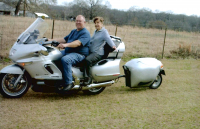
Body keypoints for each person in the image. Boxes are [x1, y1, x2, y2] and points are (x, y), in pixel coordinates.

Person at [49, 15, 90, 91]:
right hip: (68, 51)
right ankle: (60, 79)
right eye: (77, 20)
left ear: (84, 22)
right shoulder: (74, 31)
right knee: (53, 56)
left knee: (65, 60)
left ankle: (69, 83)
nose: (78, 22)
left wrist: (65, 45)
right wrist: (50, 40)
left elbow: (77, 43)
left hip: (79, 54)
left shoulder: (85, 33)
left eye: (80, 21)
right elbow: (64, 39)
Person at [83, 17, 116, 85]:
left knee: (88, 60)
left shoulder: (104, 32)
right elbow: (91, 41)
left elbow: (108, 39)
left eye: (98, 22)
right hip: (92, 52)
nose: (96, 24)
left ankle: (89, 78)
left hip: (98, 53)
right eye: (95, 23)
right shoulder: (96, 31)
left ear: (101, 23)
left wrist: (113, 46)